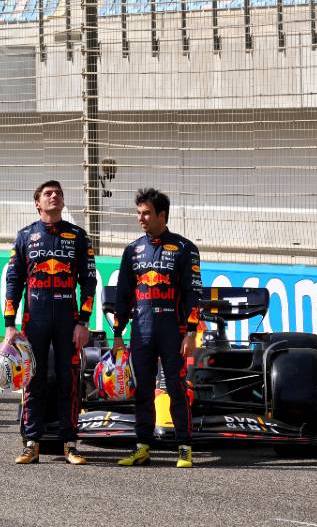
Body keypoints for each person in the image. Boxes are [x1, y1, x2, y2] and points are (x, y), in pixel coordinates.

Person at [2, 179, 97, 464]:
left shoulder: (78, 236)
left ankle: (70, 444)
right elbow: (13, 281)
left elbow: (89, 282)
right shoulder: (24, 237)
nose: (54, 196)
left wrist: (83, 321)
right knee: (33, 380)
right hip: (35, 320)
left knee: (69, 380)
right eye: (48, 193)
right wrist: (9, 324)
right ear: (38, 202)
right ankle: (31, 443)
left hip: (68, 322)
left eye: (58, 193)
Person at [112, 188, 202, 468]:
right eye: (139, 213)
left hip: (174, 332)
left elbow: (193, 294)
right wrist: (117, 333)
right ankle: (142, 447)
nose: (141, 218)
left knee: (177, 388)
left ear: (162, 214)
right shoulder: (133, 250)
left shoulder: (186, 249)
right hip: (142, 331)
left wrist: (190, 332)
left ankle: (184, 448)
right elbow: (123, 295)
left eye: (146, 213)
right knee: (143, 390)